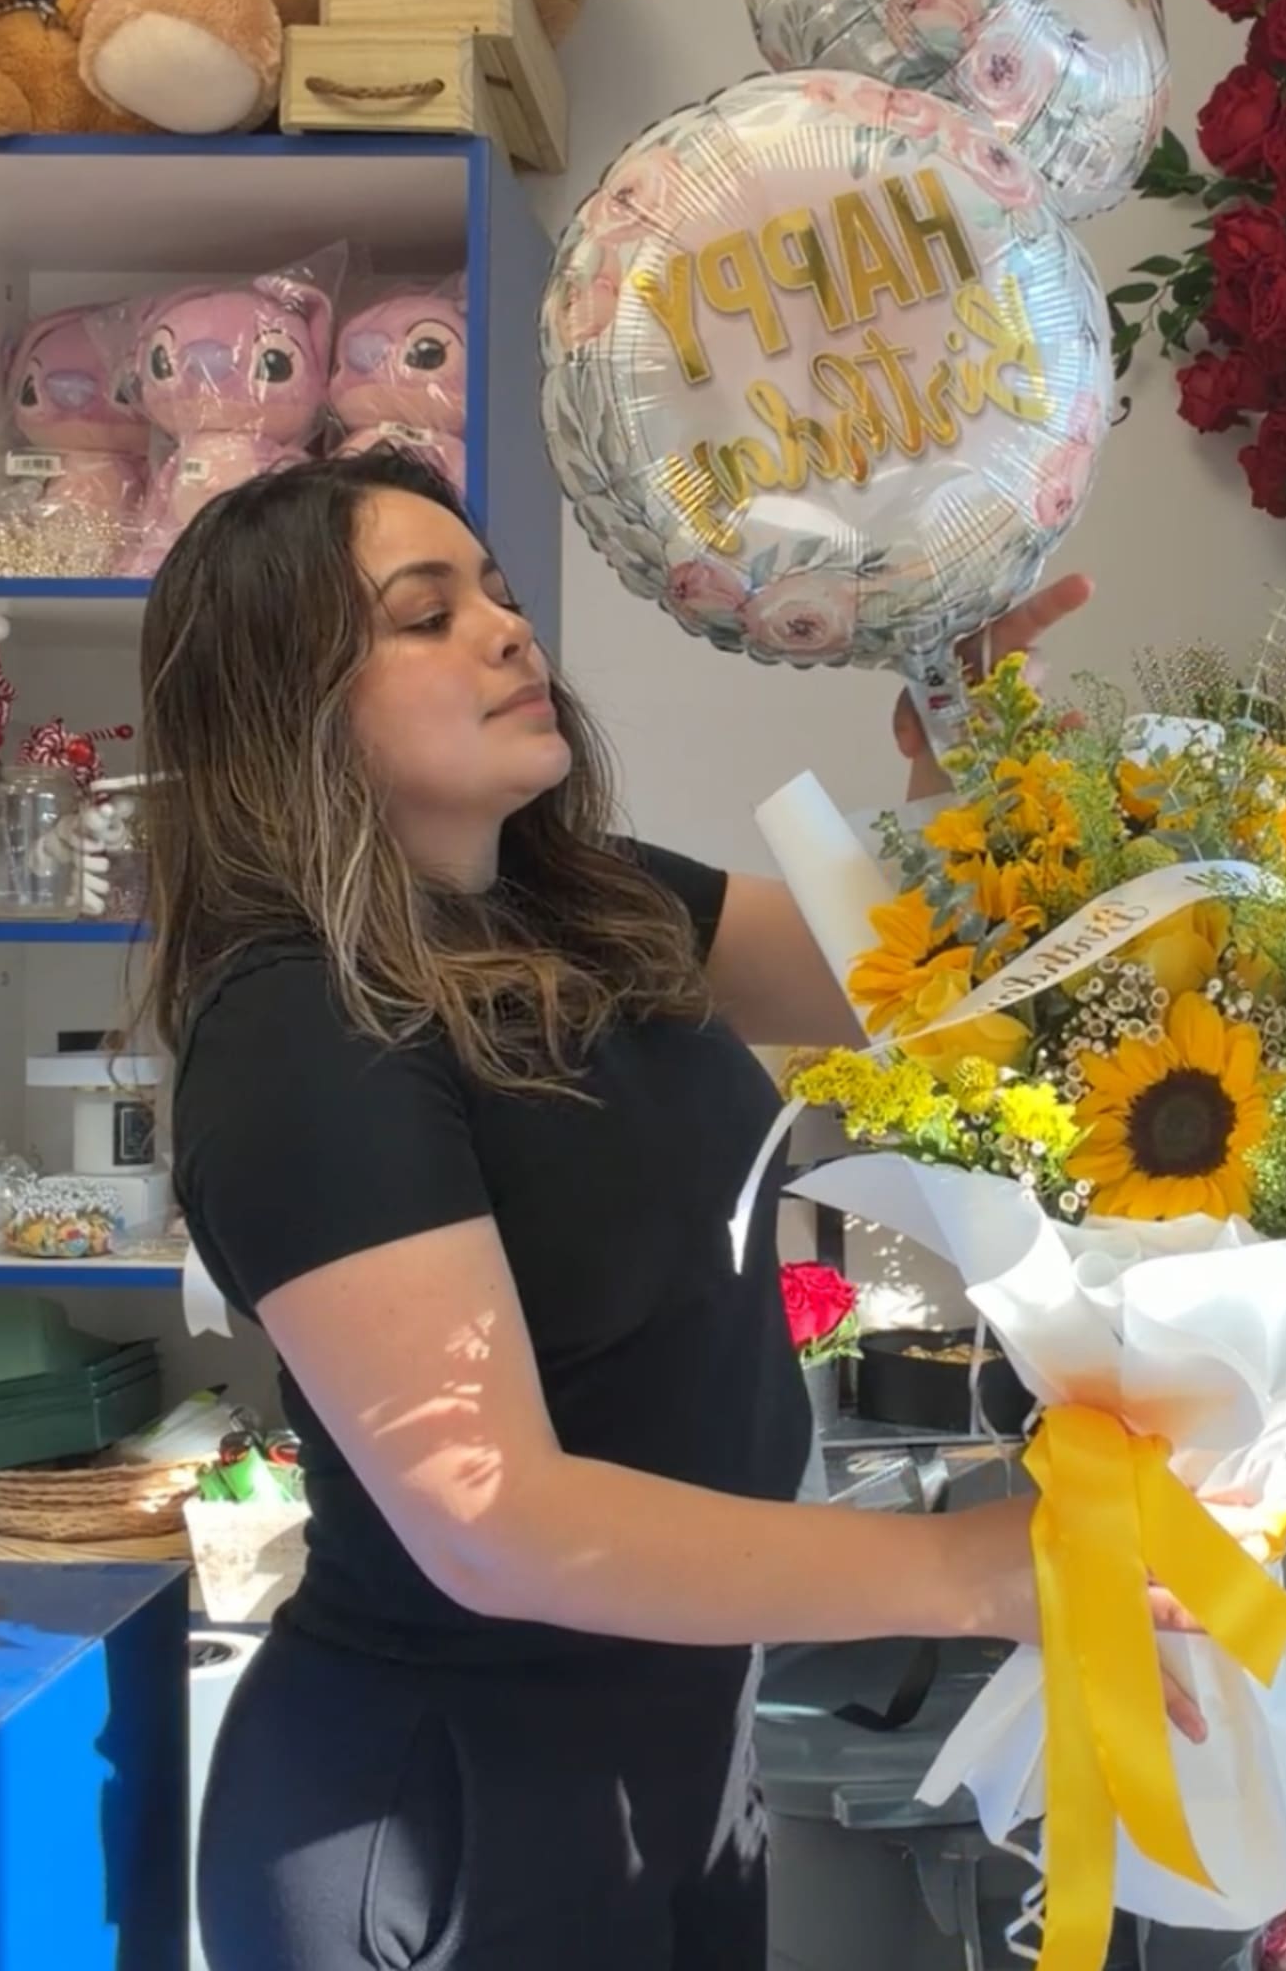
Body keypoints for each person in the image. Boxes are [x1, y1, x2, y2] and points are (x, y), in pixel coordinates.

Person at [145, 452, 1196, 1971]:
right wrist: (971, 1573)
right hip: (451, 1814)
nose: (509, 632)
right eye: (423, 616)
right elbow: (497, 1523)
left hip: (682, 1756)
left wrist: (960, 730)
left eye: (500, 595)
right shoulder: (300, 1023)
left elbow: (906, 975)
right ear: (280, 704)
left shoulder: (595, 904)